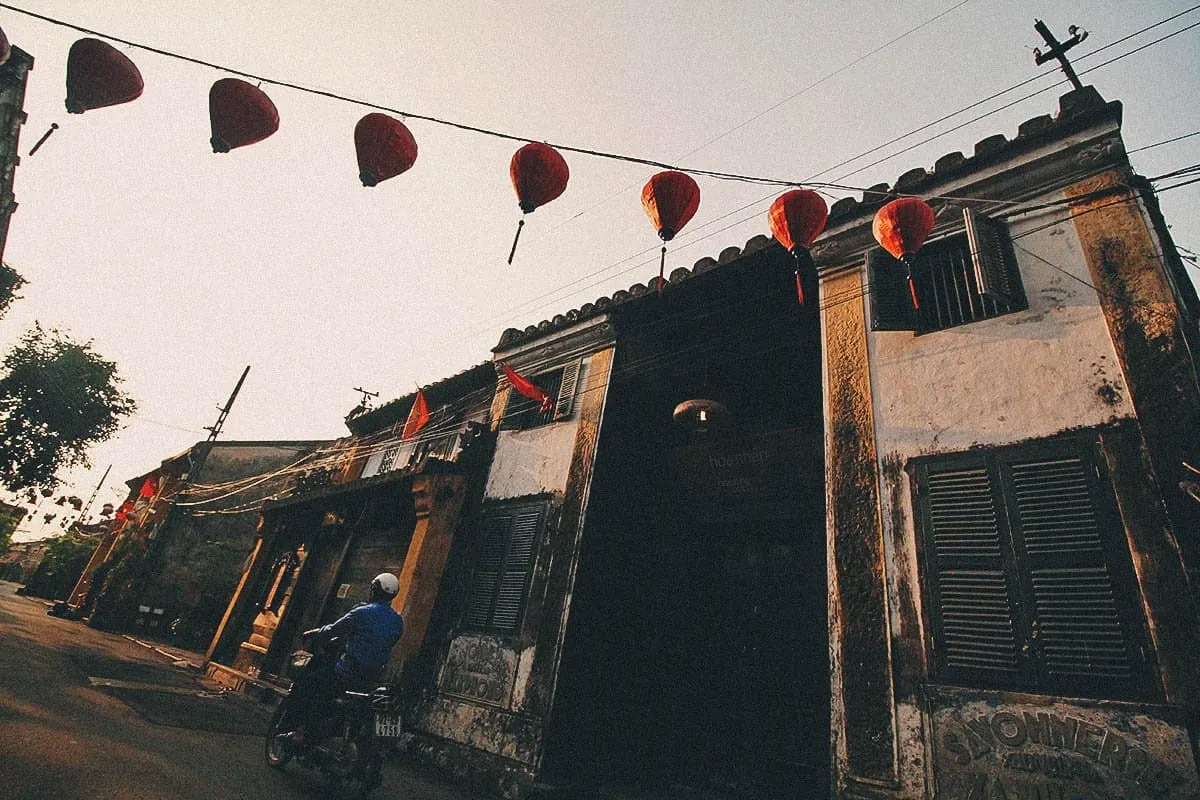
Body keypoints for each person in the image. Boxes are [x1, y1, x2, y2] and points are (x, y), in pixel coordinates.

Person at [290, 572, 404, 744]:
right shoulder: (397, 621)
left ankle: (302, 732)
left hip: (348, 672)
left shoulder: (362, 613)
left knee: (311, 686)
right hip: (373, 678)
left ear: (374, 590)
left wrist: (312, 633)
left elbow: (332, 630)